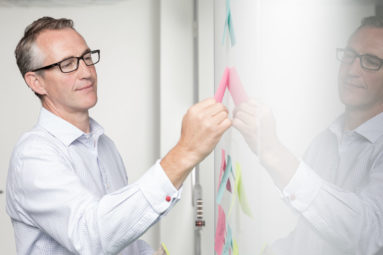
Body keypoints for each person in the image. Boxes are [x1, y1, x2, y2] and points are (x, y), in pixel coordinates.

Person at [6, 17, 231, 255]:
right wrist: (185, 152)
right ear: (36, 82)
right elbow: (92, 236)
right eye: (68, 64)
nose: (86, 72)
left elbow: (118, 238)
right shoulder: (33, 155)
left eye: (86, 58)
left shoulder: (103, 145)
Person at [233, 16, 383, 255]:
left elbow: (369, 234)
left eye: (371, 61)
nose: (353, 70)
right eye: (349, 56)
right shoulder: (323, 142)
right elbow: (309, 238)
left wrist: (273, 151)